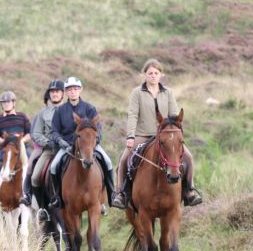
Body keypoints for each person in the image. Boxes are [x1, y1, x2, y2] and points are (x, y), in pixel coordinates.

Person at [111, 59, 202, 209]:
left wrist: (175, 134)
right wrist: (130, 136)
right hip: (143, 135)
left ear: (161, 75)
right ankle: (121, 193)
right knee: (124, 159)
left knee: (189, 157)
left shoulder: (168, 92)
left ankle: (189, 191)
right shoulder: (137, 92)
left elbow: (174, 115)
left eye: (156, 73)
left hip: (165, 136)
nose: (153, 76)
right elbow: (133, 115)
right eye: (150, 73)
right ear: (145, 75)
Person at [49, 77, 116, 211]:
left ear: (80, 90)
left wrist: (96, 140)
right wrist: (62, 143)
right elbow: (54, 131)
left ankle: (111, 195)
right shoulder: (60, 110)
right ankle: (57, 197)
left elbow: (98, 128)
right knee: (53, 167)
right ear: (66, 92)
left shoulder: (90, 108)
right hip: (68, 146)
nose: (73, 92)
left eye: (75, 89)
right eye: (69, 89)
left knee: (108, 162)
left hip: (90, 145)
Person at [22, 79, 65, 214]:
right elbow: (36, 133)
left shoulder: (69, 110)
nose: (55, 94)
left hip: (68, 149)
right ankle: (42, 208)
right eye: (52, 92)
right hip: (49, 150)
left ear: (63, 93)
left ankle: (100, 200)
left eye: (57, 91)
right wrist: (48, 142)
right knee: (35, 177)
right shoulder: (43, 113)